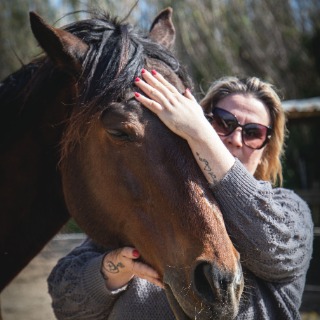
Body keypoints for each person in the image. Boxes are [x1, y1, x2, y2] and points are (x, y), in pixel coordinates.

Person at [47, 70, 313, 320]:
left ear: (266, 150)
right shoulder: (159, 200)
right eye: (222, 122)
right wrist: (112, 268)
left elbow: (274, 248)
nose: (235, 138)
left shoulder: (290, 209)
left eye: (254, 132)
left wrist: (203, 136)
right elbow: (64, 299)